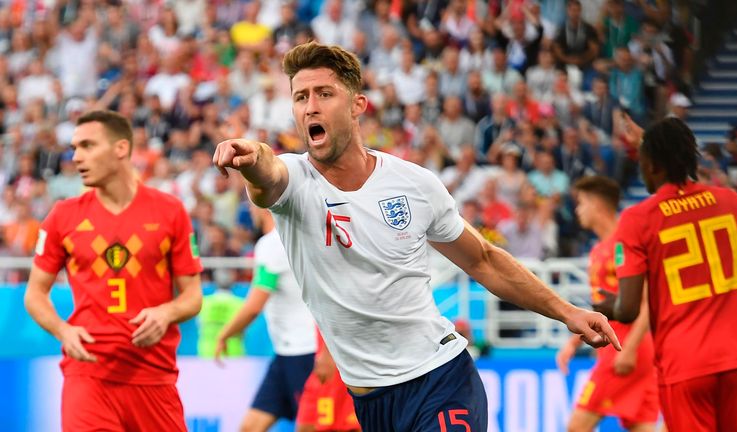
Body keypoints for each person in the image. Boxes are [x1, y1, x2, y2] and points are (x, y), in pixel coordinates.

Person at [212, 41, 620, 431]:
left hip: (440, 379)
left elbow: (484, 260)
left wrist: (568, 312)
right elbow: (267, 172)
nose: (310, 107)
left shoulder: (414, 184)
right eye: (300, 97)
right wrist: (251, 155)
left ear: (358, 106)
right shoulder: (295, 183)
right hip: (371, 403)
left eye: (324, 94)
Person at [24, 110, 203, 432]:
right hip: (88, 374)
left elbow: (192, 297)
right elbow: (35, 294)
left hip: (153, 377)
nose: (76, 157)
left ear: (121, 149)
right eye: (74, 147)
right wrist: (63, 331)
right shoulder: (63, 216)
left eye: (88, 146)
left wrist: (165, 313)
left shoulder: (170, 211)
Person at [596, 116, 737, 432]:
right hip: (736, 359)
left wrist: (609, 307)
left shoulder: (638, 219)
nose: (641, 170)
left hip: (685, 364)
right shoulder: (731, 202)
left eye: (644, 162)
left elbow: (630, 308)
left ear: (654, 167)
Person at [557, 176, 658, 431]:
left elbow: (649, 302)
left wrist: (631, 349)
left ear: (595, 204)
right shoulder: (598, 250)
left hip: (625, 347)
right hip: (622, 347)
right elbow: (602, 310)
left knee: (576, 426)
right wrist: (572, 341)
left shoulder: (625, 245)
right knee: (641, 426)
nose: (578, 210)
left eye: (581, 203)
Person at [214, 209, 316, 432]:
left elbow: (254, 305)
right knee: (250, 427)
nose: (250, 208)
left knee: (312, 427)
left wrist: (224, 334)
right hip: (286, 353)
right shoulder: (293, 235)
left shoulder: (272, 244)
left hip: (304, 353)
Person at [296, 329, 361, 432]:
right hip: (329, 359)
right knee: (307, 425)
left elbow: (341, 314)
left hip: (341, 363)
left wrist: (328, 353)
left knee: (353, 425)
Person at [197, 268, 245, 358]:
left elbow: (200, 324)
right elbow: (243, 330)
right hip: (233, 351)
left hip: (207, 350)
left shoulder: (204, 302)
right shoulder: (240, 303)